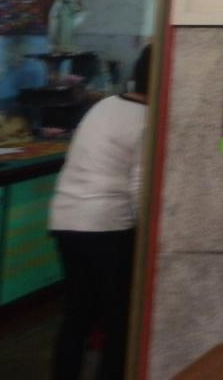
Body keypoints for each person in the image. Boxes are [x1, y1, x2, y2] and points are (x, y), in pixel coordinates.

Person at [48, 45, 151, 380]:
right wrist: (150, 236)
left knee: (77, 314)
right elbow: (140, 187)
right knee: (117, 319)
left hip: (65, 218)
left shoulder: (104, 105)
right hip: (106, 225)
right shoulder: (146, 120)